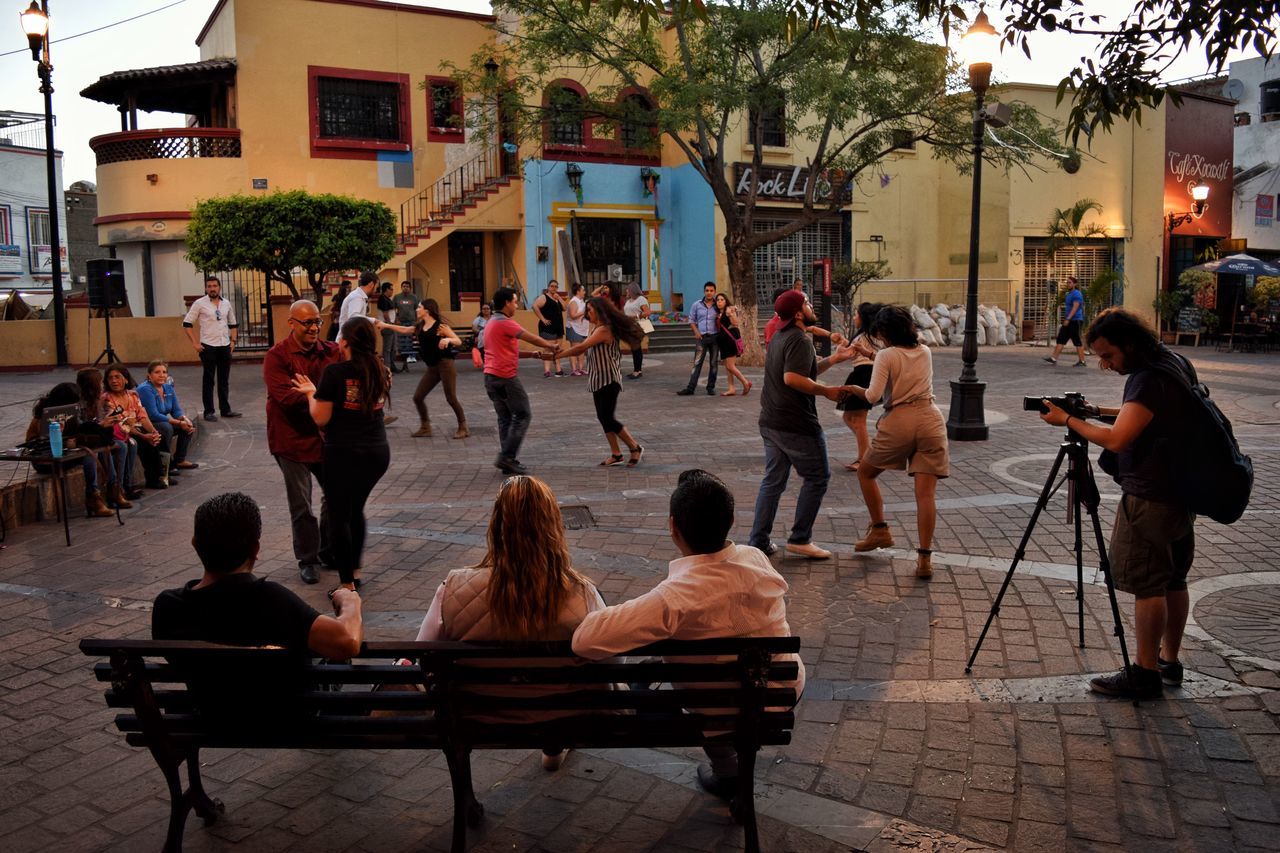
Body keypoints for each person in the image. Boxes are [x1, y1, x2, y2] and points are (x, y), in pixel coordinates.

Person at [572, 469, 805, 798]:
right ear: (732, 519)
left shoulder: (674, 599)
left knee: (659, 678)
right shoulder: (756, 558)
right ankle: (732, 770)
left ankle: (726, 773)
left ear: (673, 528)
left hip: (720, 714)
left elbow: (585, 640)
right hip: (781, 695)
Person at [1040, 308, 1197, 700]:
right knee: (1174, 577)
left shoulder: (1146, 379)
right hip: (1182, 491)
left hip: (1151, 497)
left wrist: (1068, 422)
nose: (1105, 365)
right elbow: (1141, 418)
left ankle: (1144, 673)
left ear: (1129, 344)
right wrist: (1094, 411)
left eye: (1108, 356)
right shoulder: (1174, 362)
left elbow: (1116, 440)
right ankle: (1168, 661)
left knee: (1147, 584)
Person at [416, 475, 605, 770]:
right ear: (552, 525)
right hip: (562, 710)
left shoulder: (452, 587)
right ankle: (553, 743)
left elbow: (425, 653)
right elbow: (608, 659)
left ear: (497, 525)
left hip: (479, 712)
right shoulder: (582, 592)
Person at [152, 492, 363, 719]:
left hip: (214, 714)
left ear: (195, 544)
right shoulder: (271, 600)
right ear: (256, 549)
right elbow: (346, 642)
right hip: (286, 717)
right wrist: (350, 600)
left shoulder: (169, 606)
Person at [843, 306, 949, 579]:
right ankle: (924, 559)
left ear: (885, 333)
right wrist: (871, 355)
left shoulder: (887, 355)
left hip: (900, 421)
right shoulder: (924, 351)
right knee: (925, 495)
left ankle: (879, 529)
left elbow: (872, 395)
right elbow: (898, 360)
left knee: (866, 472)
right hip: (931, 420)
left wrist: (851, 389)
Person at [748, 290, 855, 560]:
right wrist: (827, 391)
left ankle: (758, 541)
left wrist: (834, 359)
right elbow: (793, 379)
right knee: (818, 477)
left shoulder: (780, 336)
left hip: (771, 420)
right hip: (796, 423)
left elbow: (804, 370)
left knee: (773, 482)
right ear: (798, 313)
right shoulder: (799, 339)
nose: (810, 306)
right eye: (806, 303)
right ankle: (800, 538)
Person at [292, 317, 392, 591]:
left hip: (344, 453)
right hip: (377, 452)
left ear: (345, 341)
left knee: (339, 515)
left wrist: (311, 392)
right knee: (355, 510)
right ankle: (356, 573)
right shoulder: (381, 369)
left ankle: (346, 583)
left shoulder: (335, 373)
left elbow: (321, 418)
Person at [264, 299, 342, 585]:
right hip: (290, 438)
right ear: (292, 323)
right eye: (307, 322)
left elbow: (351, 378)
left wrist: (313, 392)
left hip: (323, 436)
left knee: (336, 495)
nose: (313, 328)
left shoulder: (331, 351)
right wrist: (324, 394)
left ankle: (327, 551)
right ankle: (308, 560)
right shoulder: (277, 356)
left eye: (317, 322)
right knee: (301, 504)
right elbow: (286, 398)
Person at [548, 296, 644, 467]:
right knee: (603, 417)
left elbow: (581, 347)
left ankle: (634, 447)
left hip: (609, 379)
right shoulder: (597, 328)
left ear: (599, 311)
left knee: (608, 417)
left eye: (590, 310)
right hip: (598, 379)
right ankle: (616, 454)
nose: (587, 313)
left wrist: (557, 356)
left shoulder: (605, 330)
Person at [483, 287, 563, 476]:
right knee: (523, 414)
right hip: (505, 378)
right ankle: (507, 458)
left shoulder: (492, 322)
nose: (517, 304)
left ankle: (506, 460)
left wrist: (532, 355)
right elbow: (530, 336)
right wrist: (550, 345)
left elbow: (504, 349)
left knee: (505, 419)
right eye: (514, 301)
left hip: (491, 377)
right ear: (506, 303)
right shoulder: (505, 322)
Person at [24, 382, 114, 518]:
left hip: (65, 450)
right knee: (88, 455)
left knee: (94, 451)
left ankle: (110, 490)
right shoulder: (43, 415)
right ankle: (94, 497)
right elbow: (37, 441)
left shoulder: (71, 412)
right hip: (44, 458)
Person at [182, 275, 241, 421]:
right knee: (209, 380)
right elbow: (187, 324)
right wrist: (195, 343)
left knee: (223, 379)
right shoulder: (199, 303)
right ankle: (209, 411)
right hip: (208, 346)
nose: (212, 288)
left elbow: (233, 324)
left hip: (224, 346)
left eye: (214, 286)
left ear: (219, 287)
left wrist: (233, 342)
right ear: (205, 288)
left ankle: (225, 410)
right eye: (209, 286)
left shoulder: (226, 303)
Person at [101, 363, 164, 494]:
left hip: (135, 428)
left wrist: (153, 432)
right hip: (120, 431)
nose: (114, 381)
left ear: (126, 379)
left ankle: (161, 475)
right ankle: (128, 486)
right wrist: (144, 436)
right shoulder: (107, 398)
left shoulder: (133, 395)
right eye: (110, 378)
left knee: (158, 436)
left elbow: (143, 416)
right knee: (140, 442)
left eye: (117, 377)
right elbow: (121, 423)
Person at [835, 302, 883, 472]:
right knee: (849, 417)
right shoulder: (866, 335)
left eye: (856, 315)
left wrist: (840, 350)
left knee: (858, 419)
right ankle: (868, 452)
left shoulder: (867, 336)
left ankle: (864, 458)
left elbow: (848, 354)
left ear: (863, 319)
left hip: (864, 375)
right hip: (861, 374)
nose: (855, 317)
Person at [410, 298, 468, 439]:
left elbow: (458, 341)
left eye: (419, 307)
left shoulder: (441, 327)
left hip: (445, 365)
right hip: (432, 367)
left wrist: (447, 340)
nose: (417, 309)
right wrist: (385, 325)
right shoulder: (420, 326)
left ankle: (463, 427)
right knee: (418, 397)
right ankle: (425, 427)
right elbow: (405, 330)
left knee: (451, 398)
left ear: (427, 311)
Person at [76, 368, 130, 509]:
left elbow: (100, 423)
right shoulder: (79, 404)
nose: (102, 385)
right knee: (96, 452)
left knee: (119, 446)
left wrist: (110, 417)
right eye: (99, 382)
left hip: (98, 439)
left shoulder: (98, 401)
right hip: (84, 442)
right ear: (92, 385)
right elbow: (81, 428)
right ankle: (94, 496)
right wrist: (102, 423)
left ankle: (116, 488)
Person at [136, 360, 197, 483]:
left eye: (164, 372)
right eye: (157, 372)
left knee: (189, 423)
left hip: (162, 420)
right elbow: (153, 414)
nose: (161, 375)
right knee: (166, 428)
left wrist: (184, 419)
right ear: (149, 375)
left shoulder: (168, 387)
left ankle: (180, 459)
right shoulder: (145, 389)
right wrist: (179, 423)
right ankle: (167, 466)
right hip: (148, 423)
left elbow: (176, 410)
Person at [677, 282, 720, 395]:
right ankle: (690, 388)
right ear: (704, 291)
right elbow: (691, 319)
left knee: (714, 363)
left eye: (711, 291)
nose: (709, 293)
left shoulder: (718, 305)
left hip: (715, 338)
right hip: (701, 338)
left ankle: (710, 387)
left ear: (714, 292)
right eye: (707, 290)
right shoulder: (697, 304)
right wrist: (696, 332)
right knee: (697, 363)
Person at [714, 292, 751, 396]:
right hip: (723, 342)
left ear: (726, 301)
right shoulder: (719, 313)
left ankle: (745, 382)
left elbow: (735, 323)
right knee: (727, 366)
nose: (719, 302)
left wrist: (731, 313)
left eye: (722, 300)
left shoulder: (728, 310)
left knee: (730, 366)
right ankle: (731, 388)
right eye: (718, 300)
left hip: (730, 341)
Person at [1045, 275, 1087, 366]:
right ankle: (1053, 358)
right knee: (1061, 338)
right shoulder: (1068, 294)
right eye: (1067, 282)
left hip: (1075, 320)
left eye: (1070, 282)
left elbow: (1075, 307)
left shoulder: (1077, 293)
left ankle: (1082, 361)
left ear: (1075, 284)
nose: (1068, 284)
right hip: (1068, 320)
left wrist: (1068, 318)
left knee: (1076, 340)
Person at [533, 279, 566, 377]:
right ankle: (547, 371)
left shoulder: (557, 298)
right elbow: (535, 306)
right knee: (548, 349)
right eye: (552, 286)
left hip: (558, 328)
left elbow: (565, 308)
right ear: (548, 287)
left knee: (558, 349)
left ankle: (558, 370)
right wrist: (543, 319)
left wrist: (559, 298)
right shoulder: (544, 297)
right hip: (547, 328)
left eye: (556, 286)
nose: (554, 288)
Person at [336, 271, 378, 340]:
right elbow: (353, 317)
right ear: (371, 284)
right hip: (347, 344)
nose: (376, 290)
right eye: (376, 287)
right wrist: (375, 321)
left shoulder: (359, 296)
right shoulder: (357, 297)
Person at [623, 283, 651, 379]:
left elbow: (647, 312)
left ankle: (637, 371)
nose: (626, 291)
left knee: (636, 348)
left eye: (627, 289)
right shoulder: (629, 301)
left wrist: (635, 317)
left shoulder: (641, 299)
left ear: (632, 290)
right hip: (630, 326)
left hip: (638, 326)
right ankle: (637, 370)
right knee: (634, 348)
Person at [565, 283, 590, 377]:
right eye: (583, 290)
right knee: (575, 349)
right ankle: (574, 369)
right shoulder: (574, 302)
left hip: (583, 328)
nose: (584, 292)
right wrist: (584, 312)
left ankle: (581, 368)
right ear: (578, 291)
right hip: (574, 328)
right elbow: (573, 315)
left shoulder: (582, 301)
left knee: (582, 349)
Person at [378, 281, 398, 371]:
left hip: (390, 325)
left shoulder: (387, 298)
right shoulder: (383, 299)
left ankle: (392, 366)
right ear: (386, 289)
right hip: (387, 326)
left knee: (393, 348)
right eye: (391, 289)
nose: (392, 291)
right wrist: (389, 324)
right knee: (387, 348)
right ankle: (387, 367)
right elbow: (385, 314)